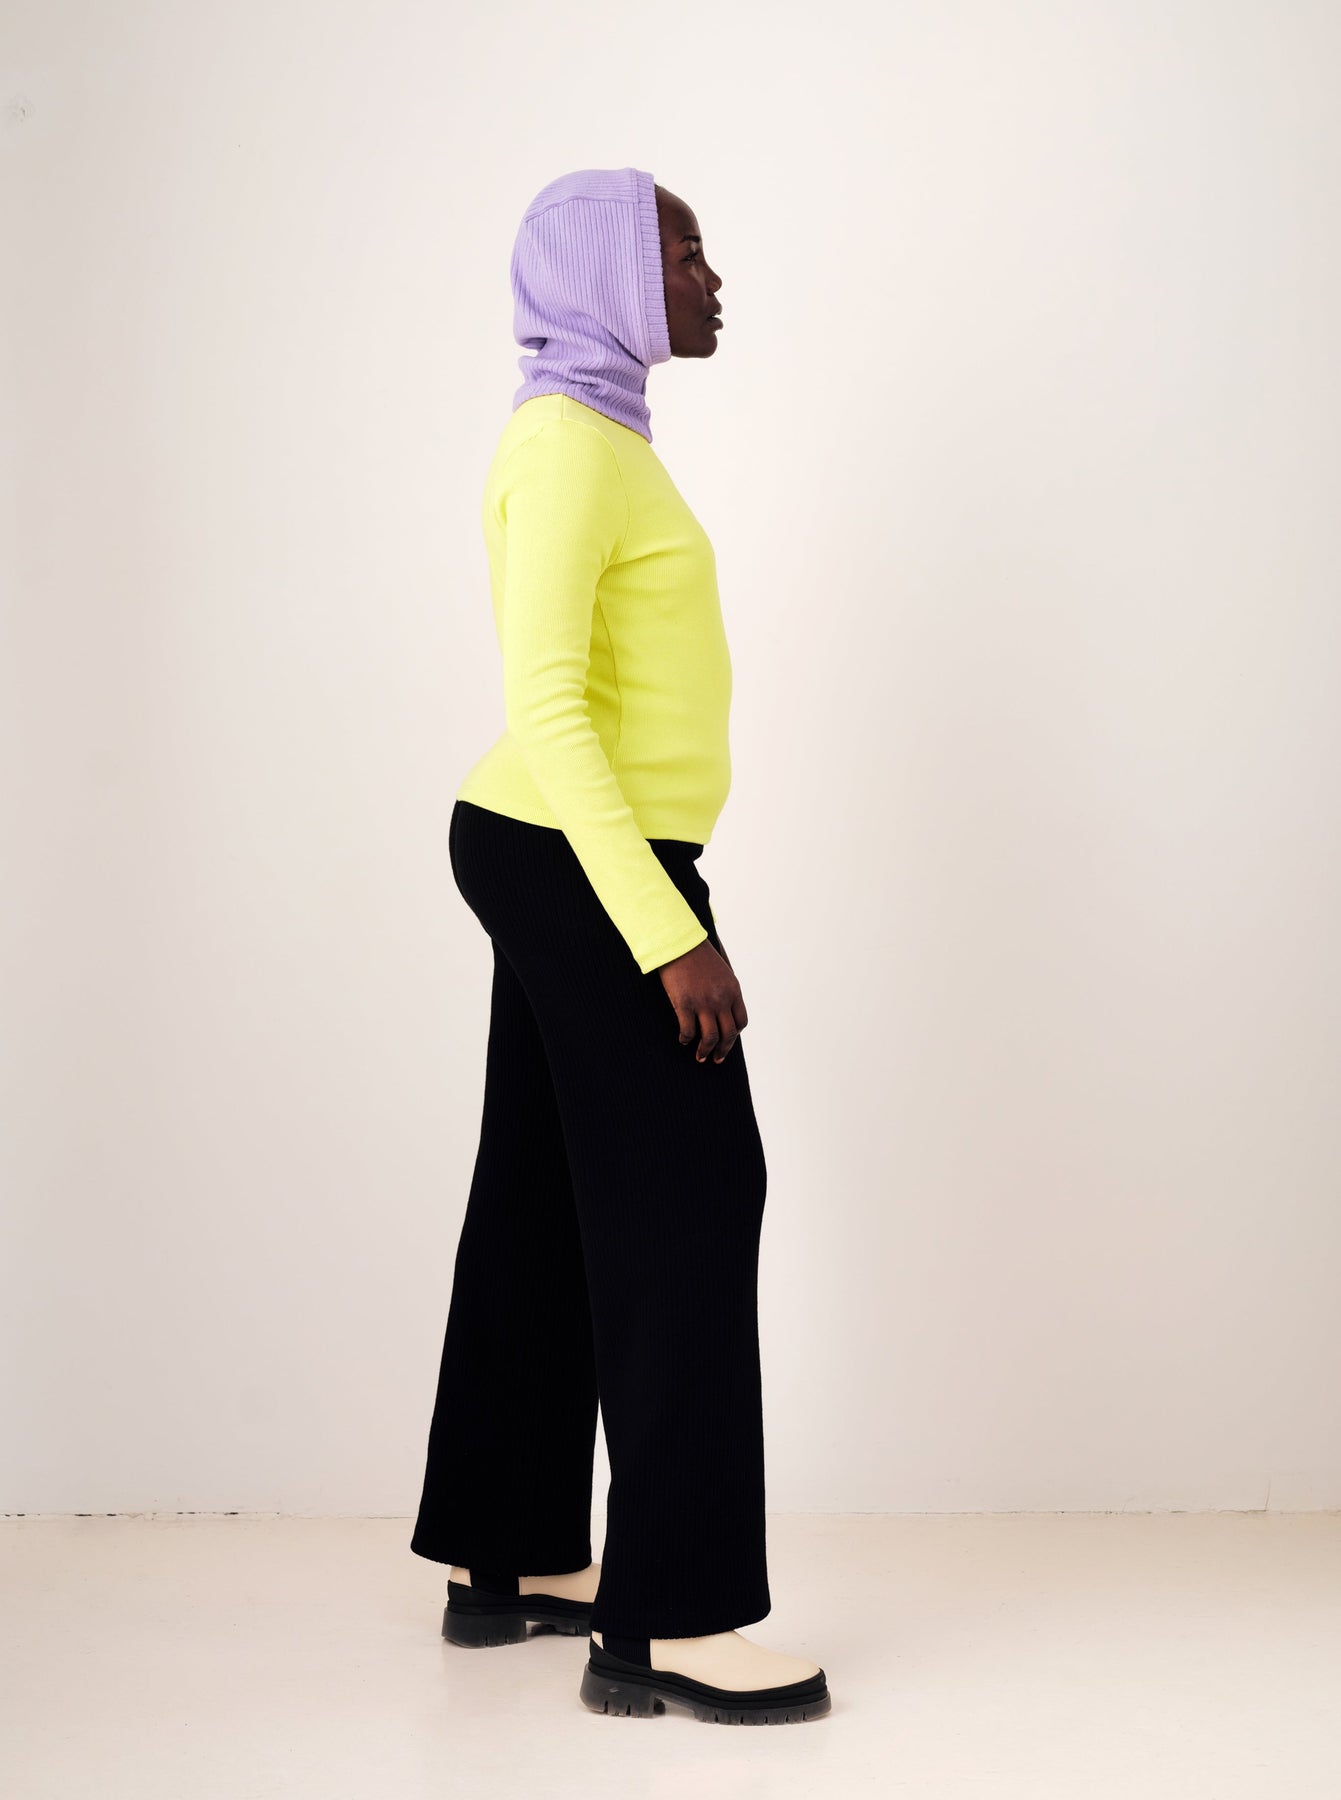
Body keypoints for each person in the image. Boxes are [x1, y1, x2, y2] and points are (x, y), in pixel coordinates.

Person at [409, 166, 830, 1726]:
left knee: (545, 1189)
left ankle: (511, 1550)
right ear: (603, 270)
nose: (712, 276)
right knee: (692, 1199)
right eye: (682, 249)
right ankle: (674, 1616)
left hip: (561, 847)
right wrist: (665, 932)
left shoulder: (600, 438)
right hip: (581, 856)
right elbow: (544, 704)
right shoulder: (563, 446)